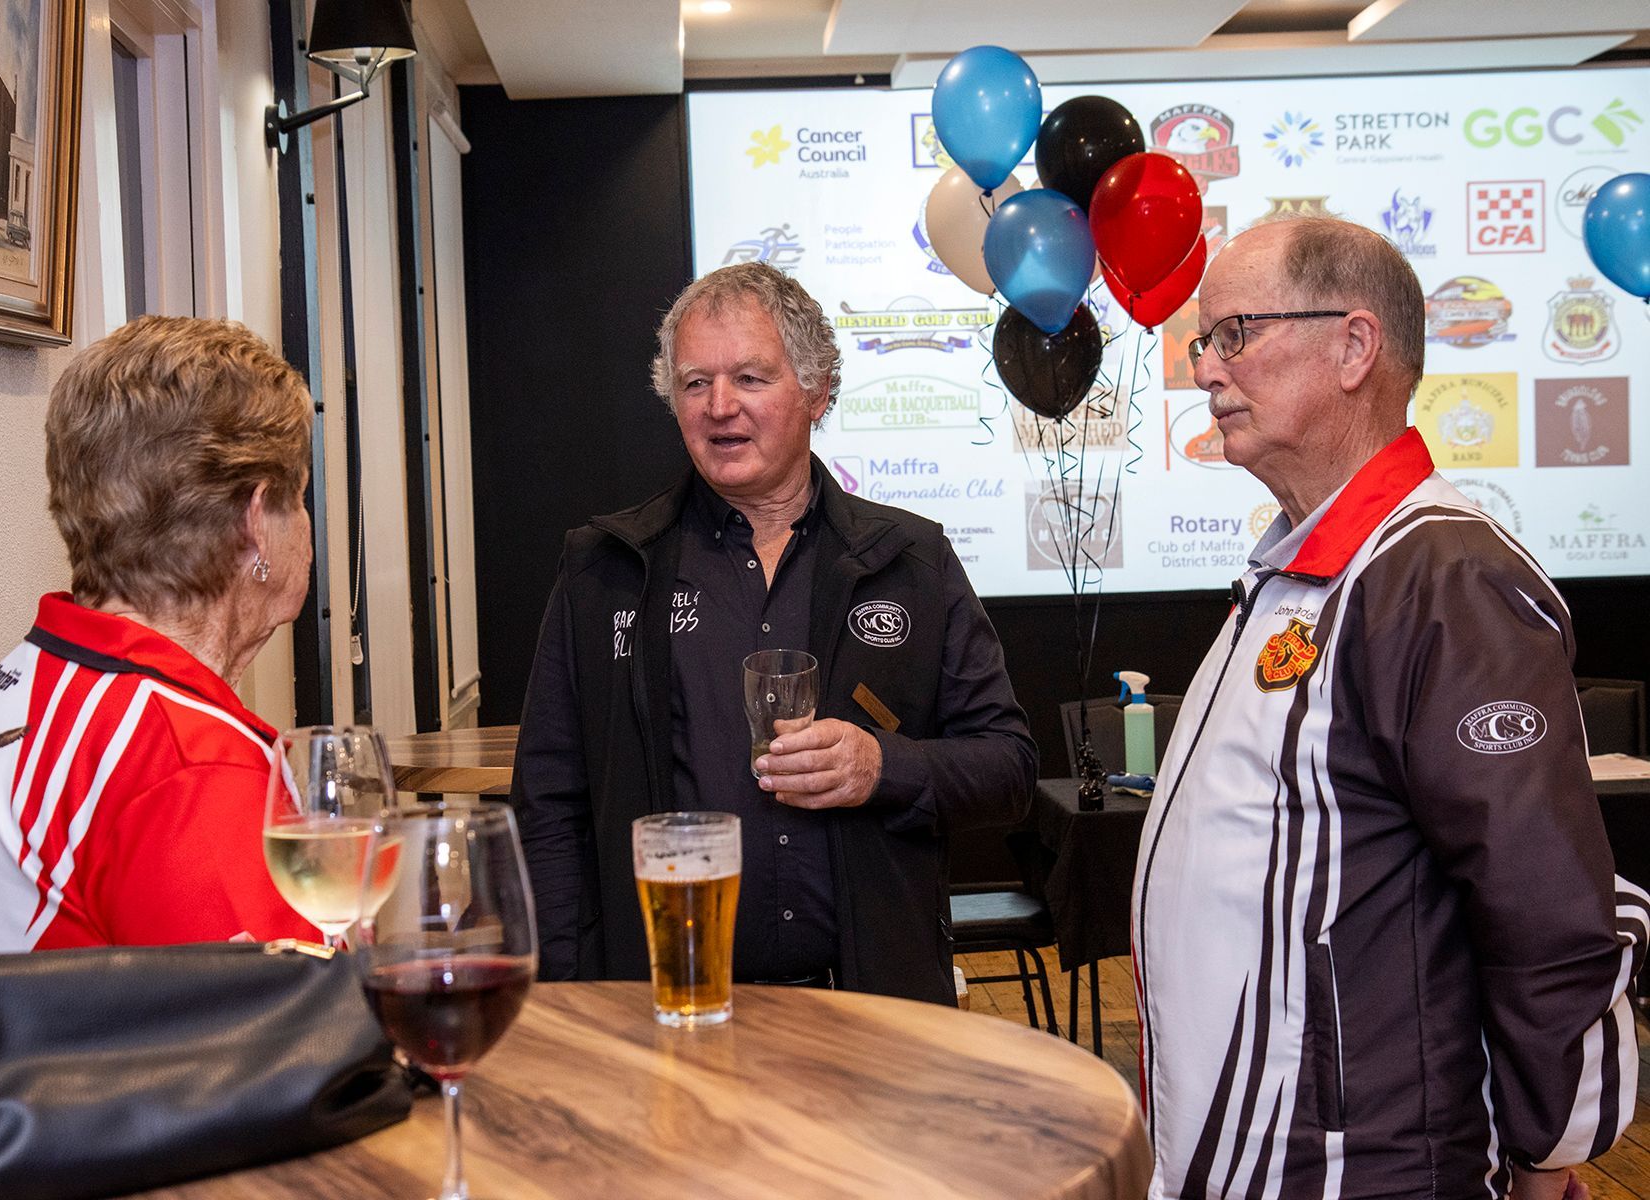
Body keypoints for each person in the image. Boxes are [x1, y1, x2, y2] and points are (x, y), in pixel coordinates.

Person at [1132, 215, 1645, 1199]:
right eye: (1203, 341)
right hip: (1264, 1157)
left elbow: (1548, 914)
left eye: (1234, 333)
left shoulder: (1445, 579)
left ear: (1355, 346)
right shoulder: (1300, 570)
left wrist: (1546, 1157)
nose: (1203, 370)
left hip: (1364, 1170)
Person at [510, 261, 1036, 1003]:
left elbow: (1008, 767)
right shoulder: (606, 572)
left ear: (818, 391)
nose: (719, 406)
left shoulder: (911, 562)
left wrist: (881, 767)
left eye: (751, 378)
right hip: (669, 1011)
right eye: (695, 383)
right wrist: (566, 996)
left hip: (873, 1015)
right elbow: (549, 806)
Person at [0, 316, 319, 954]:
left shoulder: (25, 678)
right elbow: (292, 1037)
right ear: (257, 524)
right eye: (300, 497)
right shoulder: (188, 766)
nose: (305, 523)